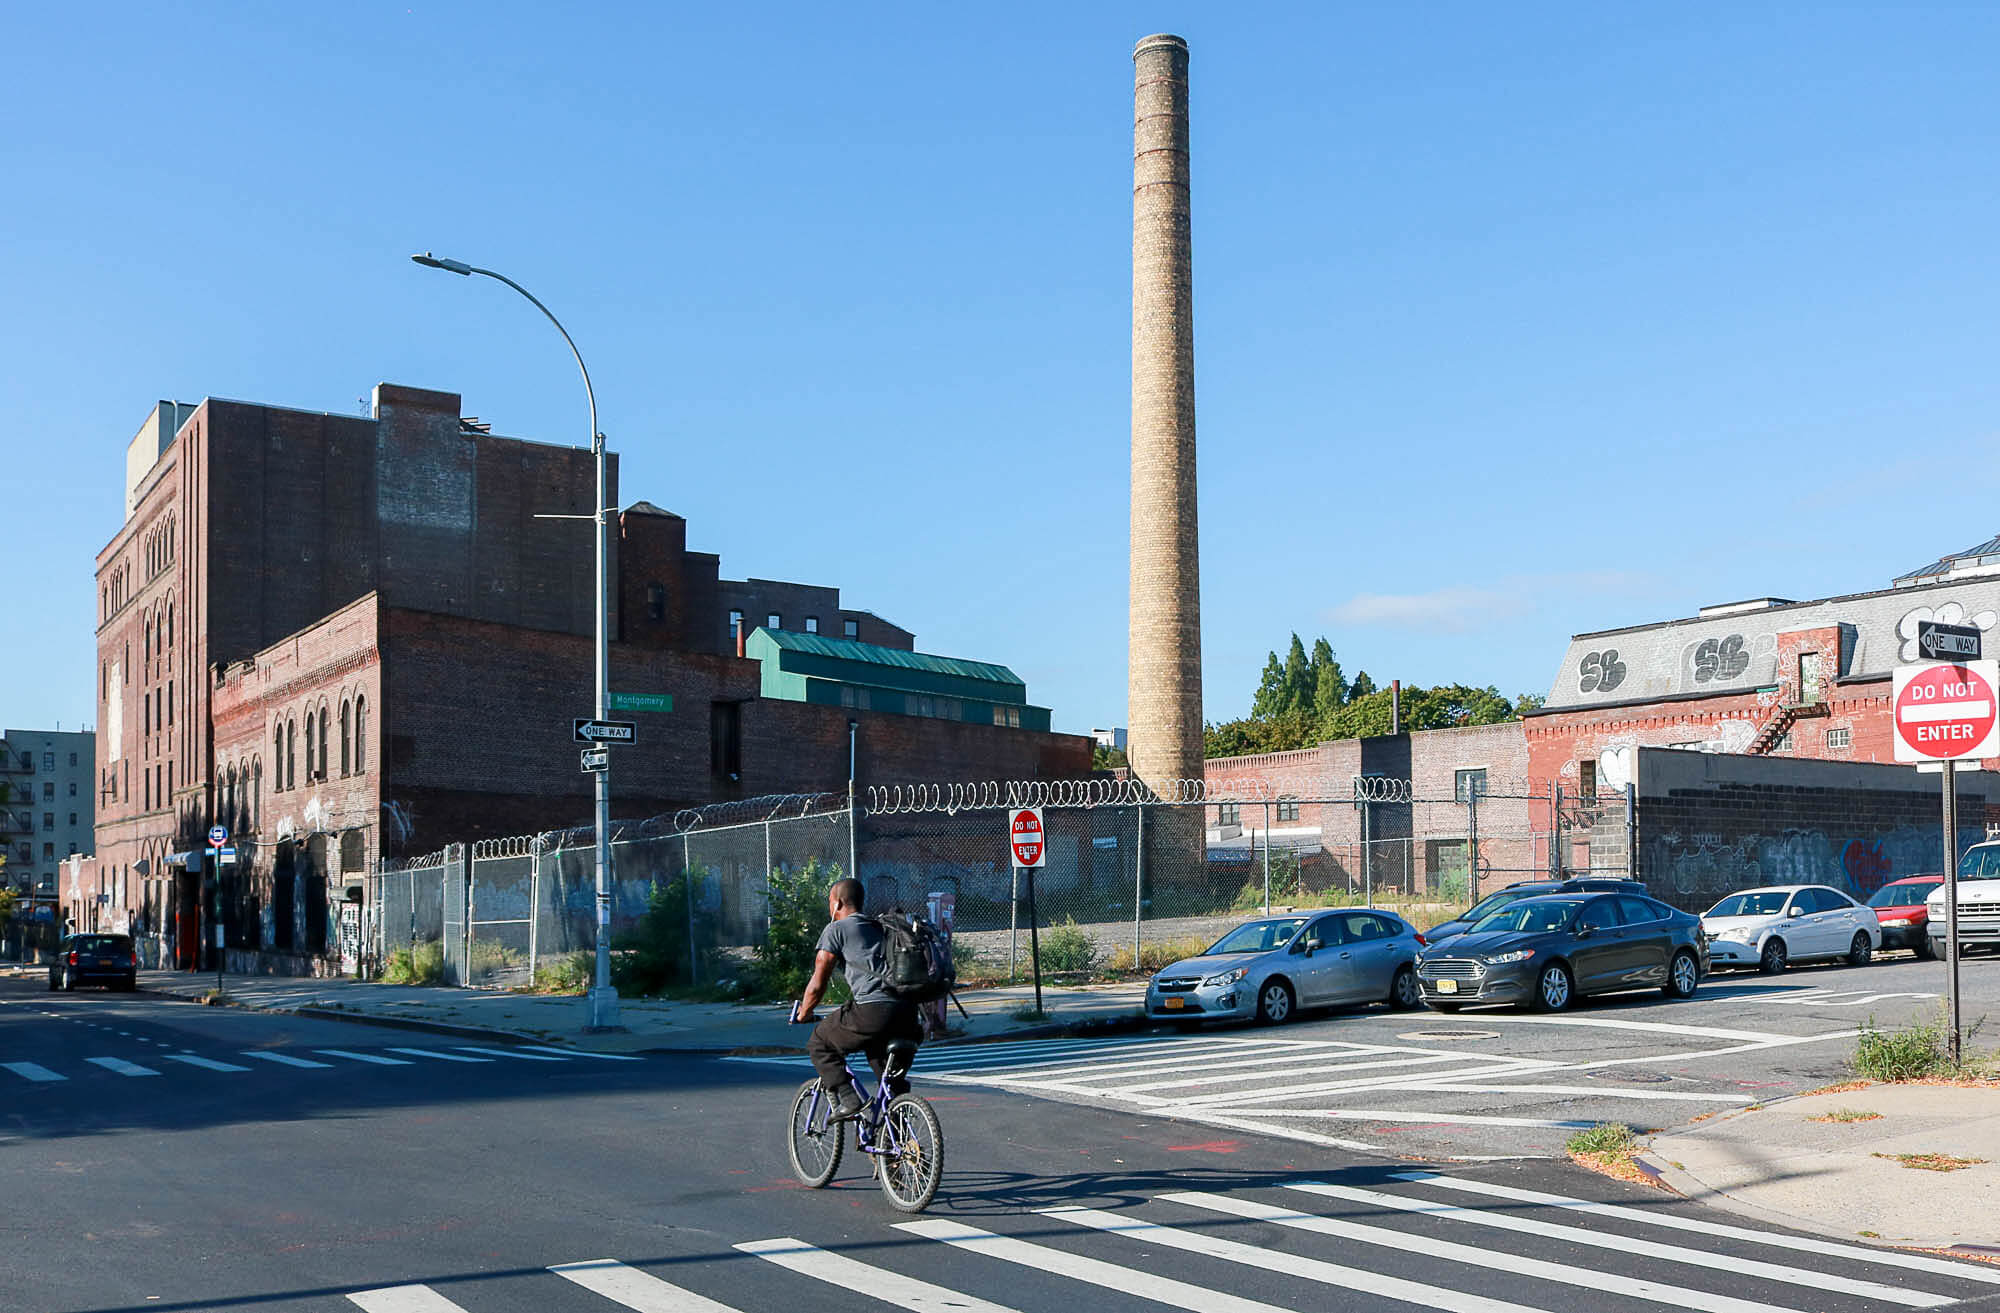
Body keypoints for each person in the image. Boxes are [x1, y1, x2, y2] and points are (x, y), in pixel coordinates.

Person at [793, 877, 921, 1121]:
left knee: (819, 1042)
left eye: (830, 902)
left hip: (873, 1012)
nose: (829, 908)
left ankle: (848, 1099)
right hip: (908, 1014)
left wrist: (805, 1012)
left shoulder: (836, 929)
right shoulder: (882, 927)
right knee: (888, 1081)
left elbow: (818, 980)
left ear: (838, 903)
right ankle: (895, 1147)